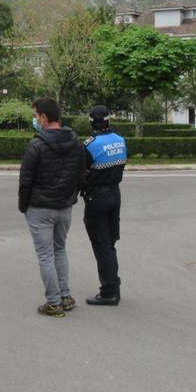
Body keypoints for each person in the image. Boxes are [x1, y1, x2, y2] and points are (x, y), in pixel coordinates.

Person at [18, 97, 86, 318]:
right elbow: (81, 175)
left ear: (44, 118)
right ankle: (65, 296)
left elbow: (26, 180)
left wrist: (23, 206)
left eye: (35, 116)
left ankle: (53, 302)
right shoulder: (76, 142)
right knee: (60, 249)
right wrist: (71, 197)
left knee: (45, 255)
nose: (35, 120)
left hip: (40, 208)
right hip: (64, 207)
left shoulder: (36, 145)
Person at [81, 105, 127, 306]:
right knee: (110, 242)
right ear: (109, 120)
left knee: (102, 245)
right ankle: (113, 284)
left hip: (97, 199)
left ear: (91, 121)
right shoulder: (120, 140)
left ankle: (109, 291)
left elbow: (81, 174)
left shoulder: (90, 145)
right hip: (115, 195)